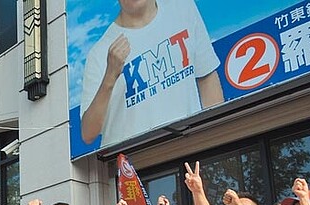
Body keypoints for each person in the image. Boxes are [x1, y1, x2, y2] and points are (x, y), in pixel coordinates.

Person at [80, 0, 223, 147]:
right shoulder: (100, 52)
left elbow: (207, 78)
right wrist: (110, 77)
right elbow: (88, 133)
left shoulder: (183, 7)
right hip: (139, 162)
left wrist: (220, 140)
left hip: (192, 149)